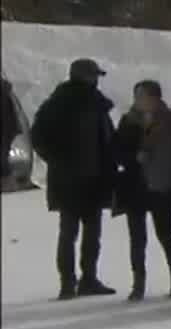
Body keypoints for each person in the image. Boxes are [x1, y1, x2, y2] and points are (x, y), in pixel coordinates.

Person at [31, 58, 119, 299]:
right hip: (71, 179)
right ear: (83, 76)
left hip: (94, 178)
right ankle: (69, 283)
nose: (96, 81)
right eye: (93, 76)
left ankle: (87, 279)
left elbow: (107, 138)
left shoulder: (95, 104)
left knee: (89, 233)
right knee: (70, 233)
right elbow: (38, 137)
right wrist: (59, 159)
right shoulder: (60, 104)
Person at [111, 80, 171, 301]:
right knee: (137, 237)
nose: (138, 101)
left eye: (142, 96)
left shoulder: (169, 120)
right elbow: (117, 150)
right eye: (137, 96)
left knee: (165, 234)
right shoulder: (128, 120)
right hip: (135, 184)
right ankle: (138, 282)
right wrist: (133, 158)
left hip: (160, 185)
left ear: (155, 98)